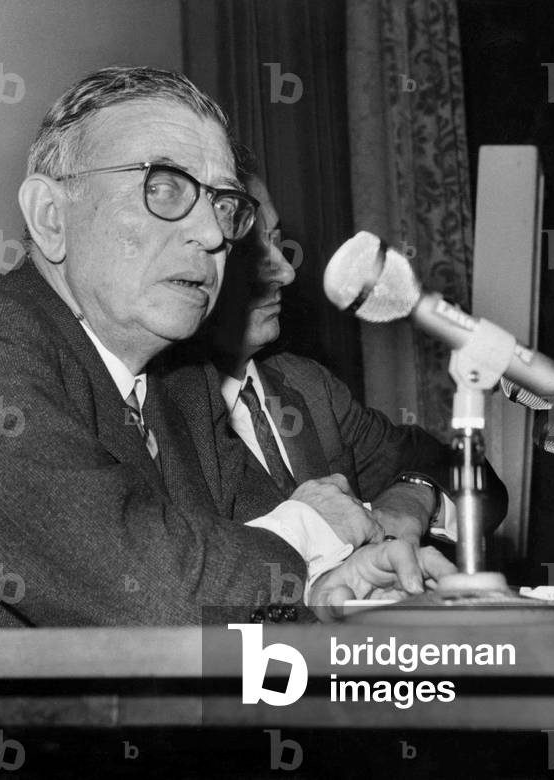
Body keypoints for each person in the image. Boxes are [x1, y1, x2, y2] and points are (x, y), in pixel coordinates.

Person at [0, 67, 446, 778]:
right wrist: (312, 534)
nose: (214, 234)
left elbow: (237, 573)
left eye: (223, 203)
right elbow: (154, 594)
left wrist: (334, 582)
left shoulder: (178, 386)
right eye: (165, 187)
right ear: (51, 217)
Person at [163, 174, 507, 568]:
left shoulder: (309, 387)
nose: (285, 273)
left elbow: (476, 481)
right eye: (249, 252)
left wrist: (415, 495)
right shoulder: (155, 411)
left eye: (275, 241)